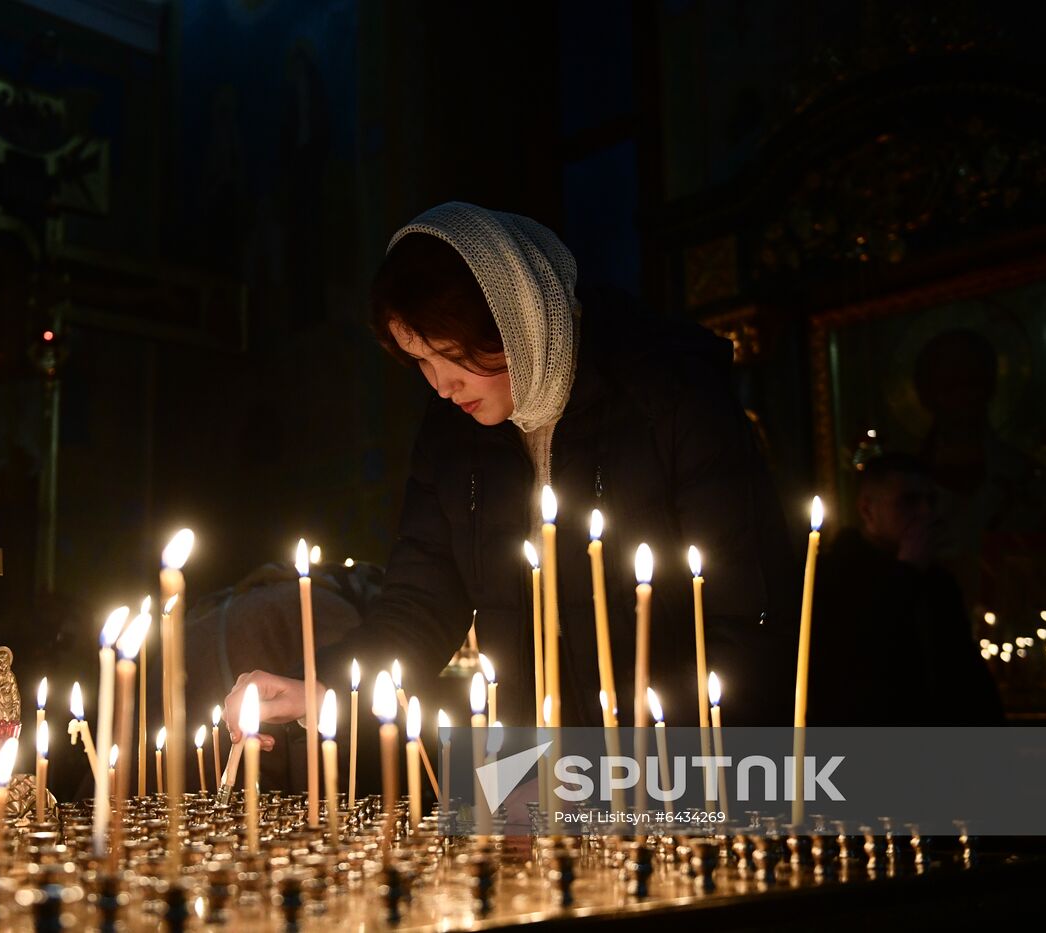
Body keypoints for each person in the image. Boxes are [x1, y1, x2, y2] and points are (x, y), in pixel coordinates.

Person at [223, 202, 799, 746]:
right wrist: (324, 688)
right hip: (534, 762)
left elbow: (747, 612)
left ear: (514, 318)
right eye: (421, 360)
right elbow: (419, 603)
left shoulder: (666, 395)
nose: (441, 385)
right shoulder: (452, 436)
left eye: (450, 353)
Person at [808, 453, 1003, 725]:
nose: (925, 512)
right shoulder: (835, 575)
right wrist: (906, 572)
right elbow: (858, 659)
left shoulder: (936, 580)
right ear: (867, 510)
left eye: (931, 501)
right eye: (909, 501)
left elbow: (963, 673)